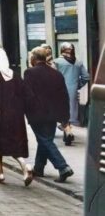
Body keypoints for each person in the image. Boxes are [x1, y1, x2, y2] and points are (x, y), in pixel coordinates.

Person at [0, 47, 32, 185]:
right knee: (14, 141)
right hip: (15, 115)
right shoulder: (15, 75)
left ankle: (0, 173)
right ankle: (24, 166)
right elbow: (25, 94)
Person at [23, 46, 74, 182]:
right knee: (45, 140)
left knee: (44, 140)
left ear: (33, 58)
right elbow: (64, 96)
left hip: (37, 113)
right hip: (53, 114)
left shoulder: (29, 73)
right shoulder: (56, 74)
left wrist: (25, 110)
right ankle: (39, 168)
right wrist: (65, 117)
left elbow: (27, 95)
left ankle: (63, 167)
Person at [54, 43, 89, 145]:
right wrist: (77, 86)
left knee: (60, 112)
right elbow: (86, 77)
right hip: (72, 91)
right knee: (69, 113)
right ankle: (67, 132)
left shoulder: (57, 62)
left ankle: (67, 130)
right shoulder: (79, 63)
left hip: (59, 91)